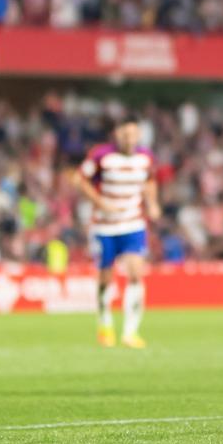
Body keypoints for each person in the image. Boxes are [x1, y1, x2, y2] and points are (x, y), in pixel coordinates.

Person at [74, 116, 161, 349]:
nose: (129, 138)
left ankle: (131, 332)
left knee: (135, 272)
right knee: (106, 277)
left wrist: (152, 203)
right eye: (125, 133)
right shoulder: (102, 155)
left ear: (139, 135)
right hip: (105, 225)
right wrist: (100, 203)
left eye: (133, 133)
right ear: (117, 134)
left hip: (132, 223)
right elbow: (80, 180)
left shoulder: (146, 157)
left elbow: (151, 181)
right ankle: (105, 322)